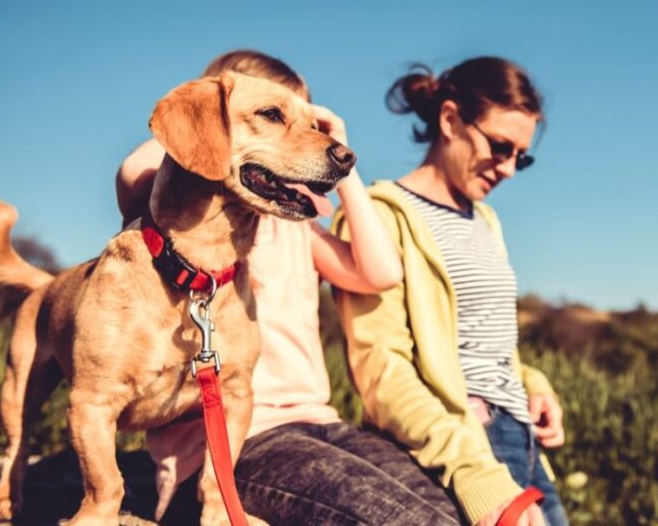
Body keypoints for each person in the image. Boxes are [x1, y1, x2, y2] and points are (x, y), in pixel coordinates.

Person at [116, 49, 462, 525]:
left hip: (321, 423)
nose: (303, 137)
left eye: (308, 121)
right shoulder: (181, 222)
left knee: (449, 510)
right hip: (234, 445)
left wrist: (341, 159)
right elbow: (134, 171)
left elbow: (380, 273)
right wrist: (212, 105)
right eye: (274, 116)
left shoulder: (294, 226)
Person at [332, 56, 568, 526]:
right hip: (458, 447)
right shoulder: (378, 215)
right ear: (450, 119)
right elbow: (382, 370)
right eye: (501, 147)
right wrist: (470, 468)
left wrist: (533, 385)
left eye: (522, 156)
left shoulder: (486, 221)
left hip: (522, 443)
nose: (509, 169)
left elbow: (482, 342)